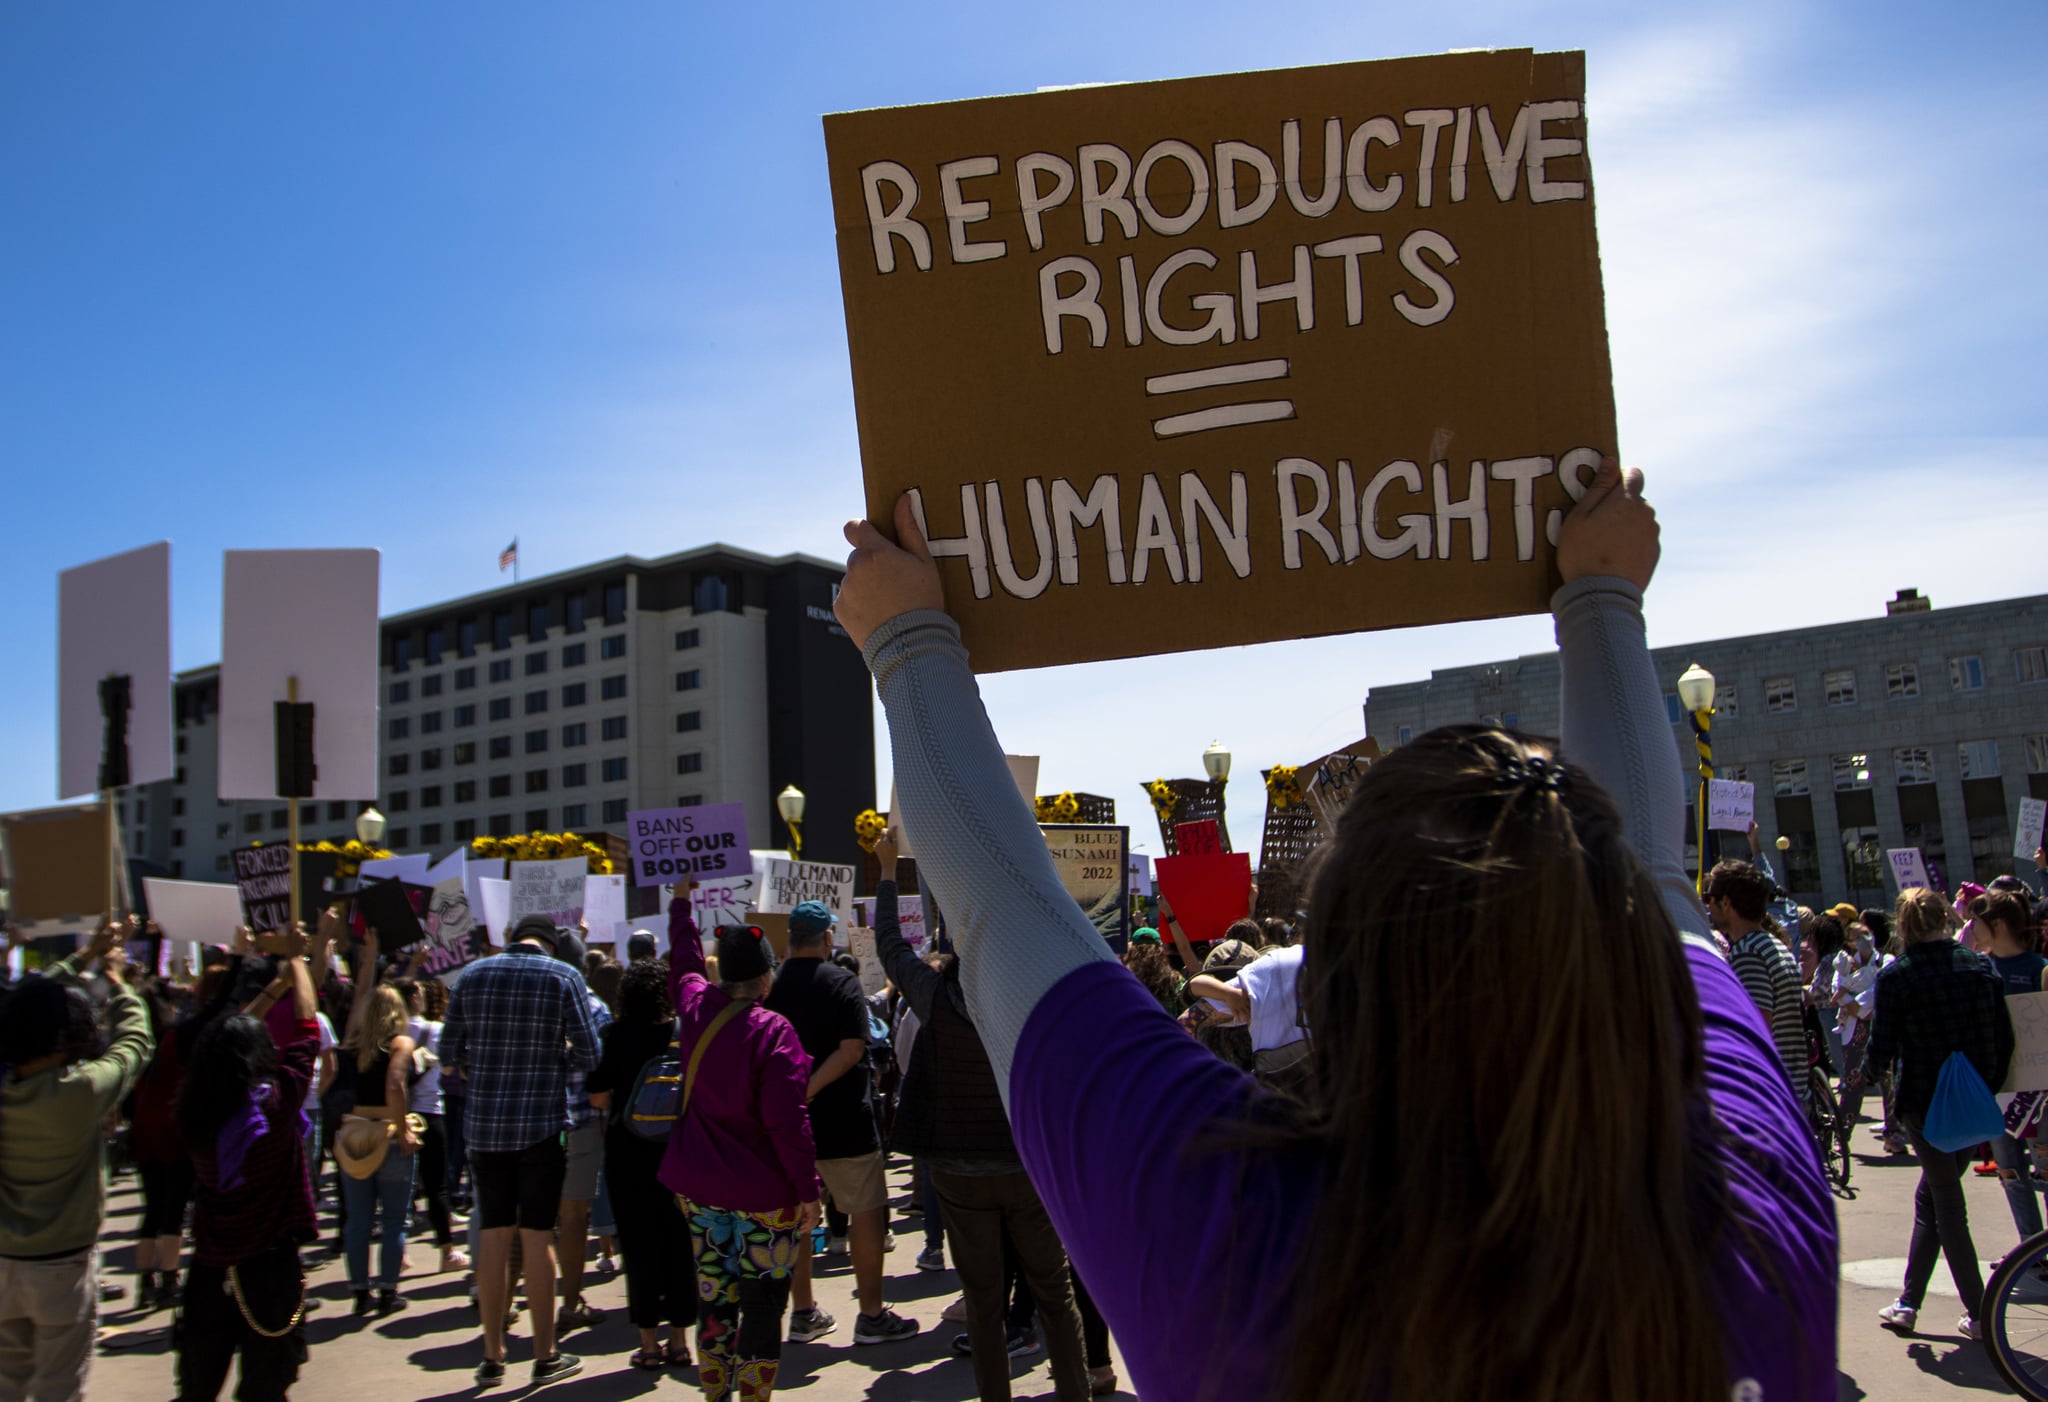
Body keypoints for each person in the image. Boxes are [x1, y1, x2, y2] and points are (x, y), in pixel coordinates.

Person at [833, 466, 1837, 1400]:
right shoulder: (1745, 1194)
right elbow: (1658, 882)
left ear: (1333, 980)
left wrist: (908, 642)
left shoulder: (1227, 1233)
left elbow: (1002, 907)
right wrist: (1601, 598)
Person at [871, 829, 1091, 1401]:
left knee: (985, 1304)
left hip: (960, 1172)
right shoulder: (1036, 994)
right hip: (1027, 1165)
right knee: (1054, 1294)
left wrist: (890, 871)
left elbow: (891, 947)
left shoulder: (934, 993)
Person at [661, 894, 822, 1402]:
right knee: (761, 1304)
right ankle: (753, 1396)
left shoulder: (692, 1008)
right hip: (765, 1197)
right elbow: (788, 1124)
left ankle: (714, 1393)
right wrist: (810, 1192)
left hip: (701, 1190)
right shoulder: (774, 1033)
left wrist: (682, 906)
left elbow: (683, 963)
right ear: (765, 979)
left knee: (713, 1294)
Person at [441, 915, 602, 1388]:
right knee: (536, 1237)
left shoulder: (471, 975)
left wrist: (481, 1064)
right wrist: (553, 1057)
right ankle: (545, 1354)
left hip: (485, 1128)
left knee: (493, 1236)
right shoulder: (562, 975)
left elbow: (449, 1052)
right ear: (550, 945)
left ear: (513, 939)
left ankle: (492, 1355)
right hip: (541, 1124)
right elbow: (591, 1056)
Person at [0, 926, 153, 1400]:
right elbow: (135, 1044)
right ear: (68, 1039)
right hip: (63, 1266)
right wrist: (118, 982)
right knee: (60, 1386)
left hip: (3, 1259)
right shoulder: (80, 1091)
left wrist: (81, 958)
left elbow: (22, 1000)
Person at [1860, 885, 2013, 1338]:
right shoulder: (1980, 968)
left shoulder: (1897, 977)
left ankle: (1981, 1311)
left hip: (1923, 1105)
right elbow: (2004, 1040)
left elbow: (1881, 1049)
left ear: (1902, 927)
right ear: (1945, 919)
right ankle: (1908, 1302)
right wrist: (1988, 1084)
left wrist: (1866, 1075)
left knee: (1946, 1205)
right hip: (1973, 1103)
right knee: (1934, 1196)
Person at [765, 900, 920, 1346]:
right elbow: (852, 1049)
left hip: (788, 1125)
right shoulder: (842, 981)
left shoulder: (770, 985)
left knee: (796, 1215)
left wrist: (794, 1096)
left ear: (791, 940)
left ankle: (803, 1312)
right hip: (845, 1120)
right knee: (866, 1212)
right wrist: (809, 1089)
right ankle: (870, 1314)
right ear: (828, 939)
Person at [174, 937, 321, 1401]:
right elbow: (308, 1031)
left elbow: (219, 1043)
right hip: (270, 1271)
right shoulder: (276, 1104)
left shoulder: (195, 1112)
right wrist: (297, 963)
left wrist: (273, 988)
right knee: (266, 1389)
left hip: (209, 1269)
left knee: (198, 1388)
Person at [585, 957, 696, 1371]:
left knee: (639, 1247)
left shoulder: (612, 1035)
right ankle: (681, 1341)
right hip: (678, 1151)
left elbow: (597, 1096)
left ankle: (649, 1345)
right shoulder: (682, 1032)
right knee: (680, 1244)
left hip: (626, 1153)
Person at [338, 937, 419, 1317]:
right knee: (393, 1217)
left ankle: (358, 1291)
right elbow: (395, 1085)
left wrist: (368, 957)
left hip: (355, 1132)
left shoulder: (353, 1043)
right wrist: (403, 1128)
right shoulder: (401, 1042)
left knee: (358, 1218)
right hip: (386, 1132)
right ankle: (387, 1290)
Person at [1976, 888, 2047, 1248]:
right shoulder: (1980, 968)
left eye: (1978, 921)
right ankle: (2030, 1255)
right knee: (2010, 1172)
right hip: (1997, 1089)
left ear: (1998, 924)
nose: (1972, 928)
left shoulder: (2039, 969)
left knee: (2046, 1170)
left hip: (2040, 1091)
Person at [547, 930, 611, 1334]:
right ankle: (569, 1301)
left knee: (531, 1218)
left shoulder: (532, 999)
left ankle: (507, 1306)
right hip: (582, 1123)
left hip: (535, 1121)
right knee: (573, 1218)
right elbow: (600, 1069)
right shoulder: (595, 1006)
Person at [1705, 858, 1809, 1100]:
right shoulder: (1775, 946)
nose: (1707, 905)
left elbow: (1756, 1029)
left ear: (1726, 903)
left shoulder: (1747, 954)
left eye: (1709, 898)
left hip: (1767, 1095)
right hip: (1791, 1088)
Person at [396, 977, 467, 1274]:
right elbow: (450, 1066)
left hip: (397, 1114)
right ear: (413, 997)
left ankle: (397, 1252)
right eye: (421, 991)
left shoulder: (390, 1032)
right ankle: (447, 1251)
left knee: (398, 1189)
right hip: (429, 1112)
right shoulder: (435, 1030)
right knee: (435, 1186)